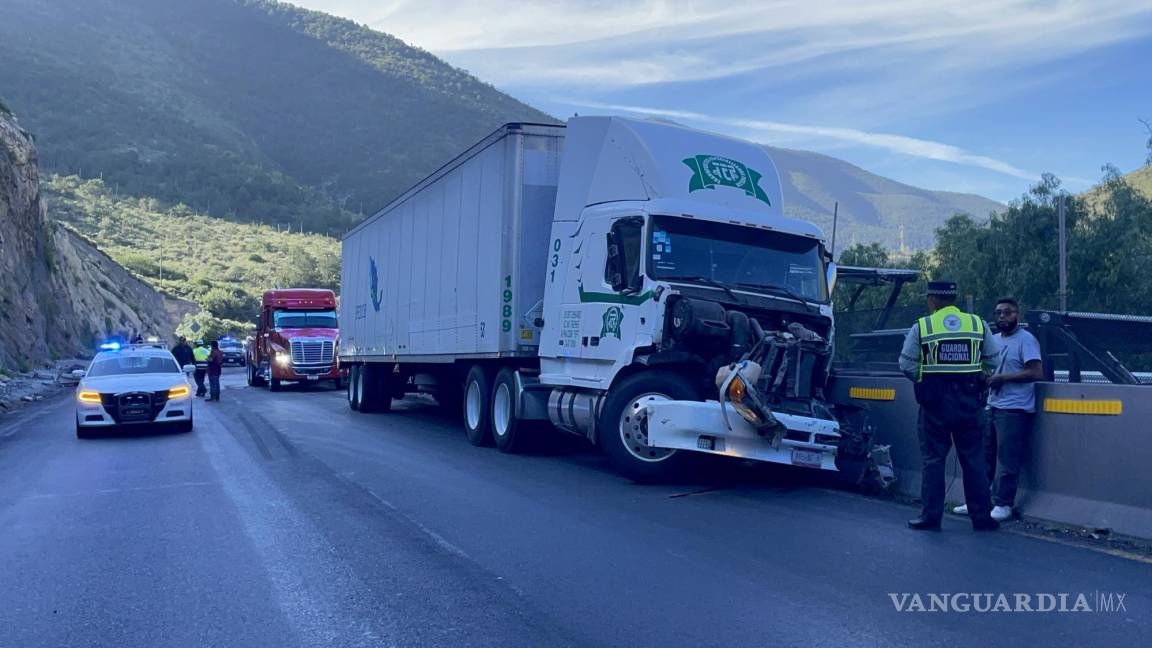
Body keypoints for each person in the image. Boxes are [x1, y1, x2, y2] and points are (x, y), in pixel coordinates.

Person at [898, 280, 1001, 531]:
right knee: (975, 460)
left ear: (932, 300)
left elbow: (907, 364)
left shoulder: (922, 326)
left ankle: (931, 517)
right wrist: (977, 376)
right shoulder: (977, 324)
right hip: (970, 401)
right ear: (953, 299)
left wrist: (927, 379)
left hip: (935, 404)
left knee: (933, 461)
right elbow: (994, 359)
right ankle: (982, 518)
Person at [953, 298, 1042, 522]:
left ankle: (1004, 504)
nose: (1002, 316)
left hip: (1014, 409)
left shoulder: (1026, 340)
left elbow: (1035, 372)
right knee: (984, 456)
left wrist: (1005, 378)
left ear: (1017, 316)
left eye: (1008, 312)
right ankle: (979, 500)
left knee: (1006, 458)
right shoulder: (992, 340)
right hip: (990, 406)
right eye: (998, 313)